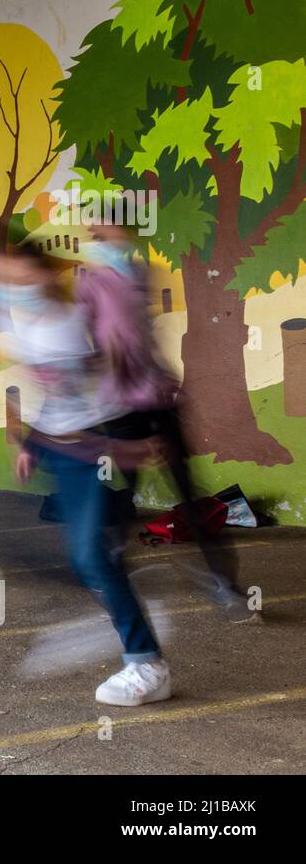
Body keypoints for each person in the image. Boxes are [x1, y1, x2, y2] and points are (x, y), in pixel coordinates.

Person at [0, 245, 173, 706]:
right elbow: (58, 400)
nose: (18, 288)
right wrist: (31, 443)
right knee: (83, 557)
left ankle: (146, 661)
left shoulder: (74, 322)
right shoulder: (22, 328)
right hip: (63, 453)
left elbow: (99, 398)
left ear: (46, 277)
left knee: (91, 557)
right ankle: (118, 581)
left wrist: (128, 449)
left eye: (23, 277)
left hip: (101, 447)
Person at [78, 220, 256, 623]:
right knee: (124, 496)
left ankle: (226, 585)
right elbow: (88, 342)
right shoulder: (90, 285)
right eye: (101, 235)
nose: (108, 240)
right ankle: (109, 573)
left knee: (190, 492)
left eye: (113, 232)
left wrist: (165, 380)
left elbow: (143, 337)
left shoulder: (141, 274)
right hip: (121, 407)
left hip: (158, 399)